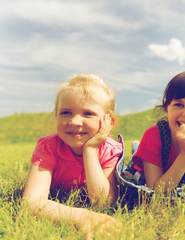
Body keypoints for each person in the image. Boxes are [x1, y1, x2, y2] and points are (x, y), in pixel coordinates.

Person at [23, 74, 122, 238]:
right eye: (66, 112)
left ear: (108, 122)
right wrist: (82, 217)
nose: (75, 121)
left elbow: (103, 203)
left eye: (88, 113)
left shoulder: (110, 150)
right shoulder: (48, 147)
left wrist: (90, 151)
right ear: (56, 115)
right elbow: (32, 202)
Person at [132, 70, 185, 192]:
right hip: (153, 165)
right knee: (136, 155)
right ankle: (136, 148)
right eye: (179, 105)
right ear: (166, 108)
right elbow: (156, 191)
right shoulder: (153, 135)